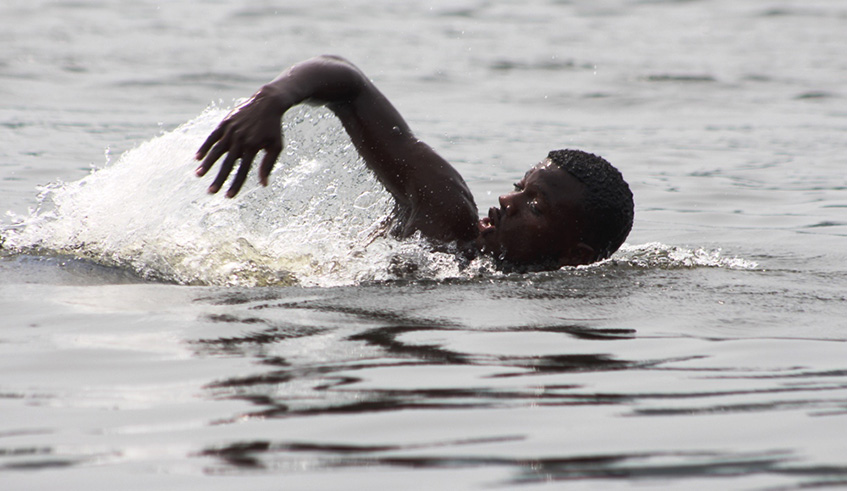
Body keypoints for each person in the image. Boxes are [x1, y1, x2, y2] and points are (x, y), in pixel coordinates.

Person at [195, 55, 633, 271]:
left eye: (534, 204)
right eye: (520, 186)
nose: (506, 199)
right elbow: (345, 81)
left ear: (576, 258)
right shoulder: (448, 217)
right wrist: (275, 98)